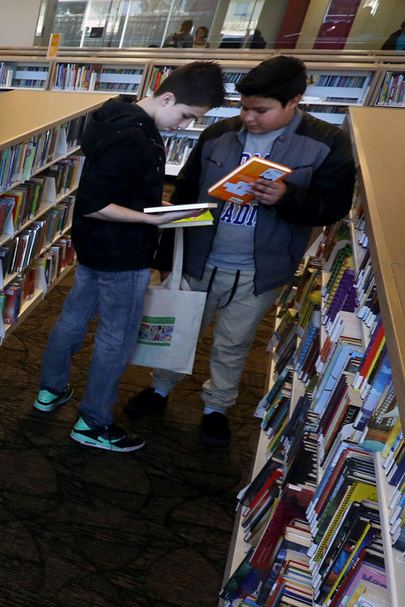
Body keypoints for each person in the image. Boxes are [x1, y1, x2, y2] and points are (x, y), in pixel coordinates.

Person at [126, 55, 355, 447]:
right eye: (244, 107)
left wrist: (286, 198)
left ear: (294, 101)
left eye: (261, 110)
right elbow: (184, 191)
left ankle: (216, 407)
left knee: (234, 342)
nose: (249, 118)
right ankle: (160, 389)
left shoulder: (326, 143)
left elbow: (332, 207)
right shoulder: (219, 133)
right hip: (199, 256)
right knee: (177, 328)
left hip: (260, 269)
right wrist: (166, 257)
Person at [34, 61, 226, 452]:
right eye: (187, 115)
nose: (185, 125)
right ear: (168, 97)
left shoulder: (115, 116)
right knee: (115, 338)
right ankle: (93, 422)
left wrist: (154, 204)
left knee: (73, 318)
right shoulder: (135, 138)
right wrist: (150, 218)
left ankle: (50, 391)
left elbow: (113, 186)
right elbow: (93, 202)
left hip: (94, 244)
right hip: (122, 251)